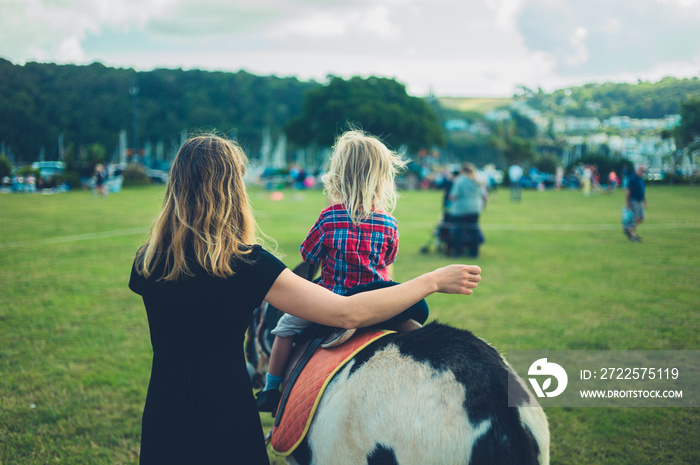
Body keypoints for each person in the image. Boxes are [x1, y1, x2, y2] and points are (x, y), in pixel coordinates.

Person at [128, 134, 482, 464]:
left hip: (164, 410)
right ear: (233, 190)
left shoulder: (147, 261)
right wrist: (433, 280)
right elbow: (345, 313)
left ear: (174, 186)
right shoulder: (247, 263)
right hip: (227, 411)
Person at [256, 129, 428, 412]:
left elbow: (307, 254)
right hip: (377, 303)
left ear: (338, 175)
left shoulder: (329, 217)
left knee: (284, 329)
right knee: (416, 333)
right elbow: (387, 260)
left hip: (329, 301)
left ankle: (271, 388)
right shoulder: (389, 223)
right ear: (383, 177)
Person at [448, 162, 487, 258]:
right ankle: (474, 252)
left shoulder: (460, 180)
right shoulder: (479, 180)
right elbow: (485, 196)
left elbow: (453, 196)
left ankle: (457, 252)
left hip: (461, 208)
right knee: (473, 230)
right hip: (476, 208)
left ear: (463, 170)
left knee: (459, 231)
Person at [625, 165, 647, 241]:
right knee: (636, 217)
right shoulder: (633, 178)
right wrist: (627, 202)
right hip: (634, 200)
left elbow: (643, 191)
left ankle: (628, 229)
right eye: (642, 170)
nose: (643, 172)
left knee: (642, 218)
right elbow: (628, 191)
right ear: (639, 170)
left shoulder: (641, 179)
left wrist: (645, 201)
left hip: (640, 200)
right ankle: (634, 235)